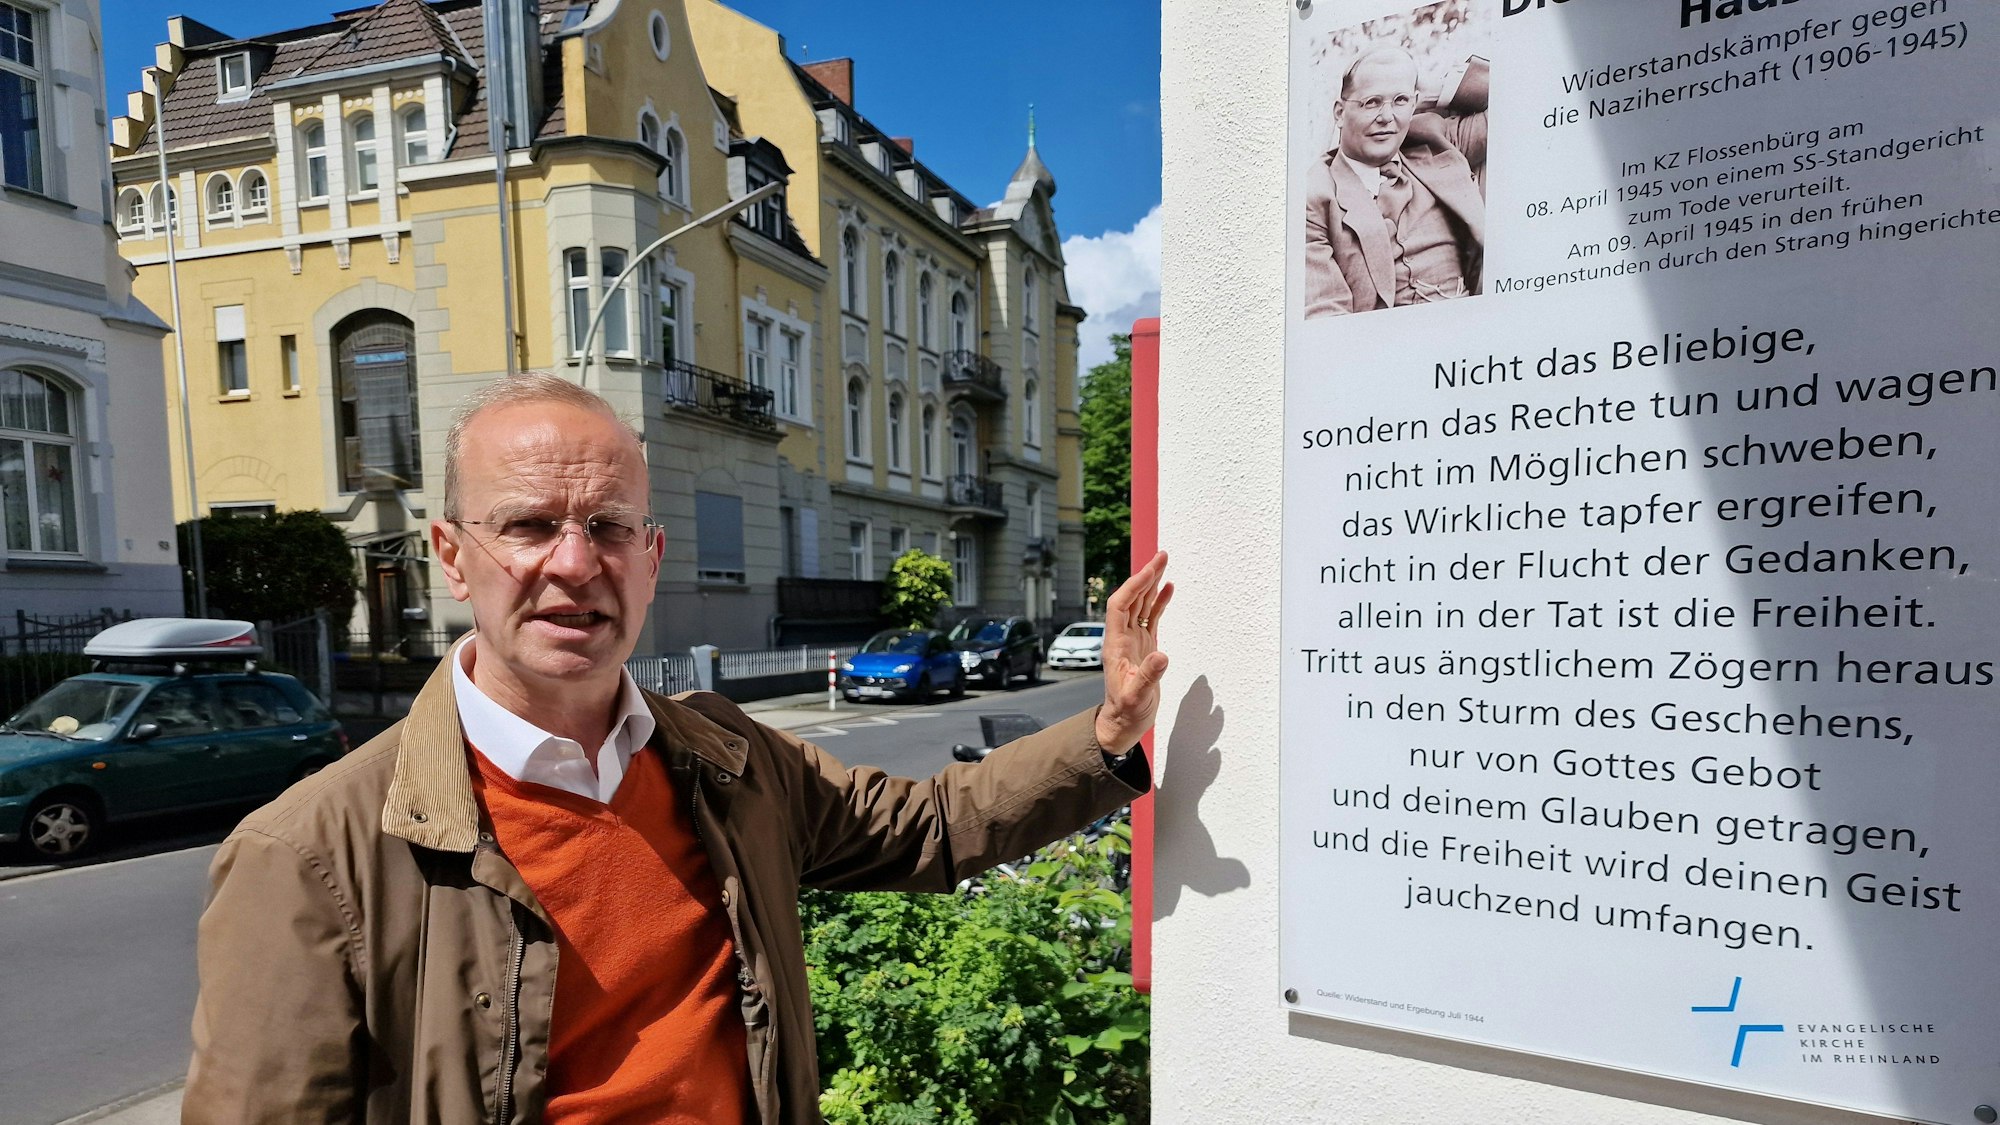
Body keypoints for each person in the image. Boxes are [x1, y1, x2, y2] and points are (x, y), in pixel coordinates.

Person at [182, 374, 1173, 1124]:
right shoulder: (312, 855)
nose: (574, 565)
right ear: (451, 555)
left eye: (608, 527)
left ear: (650, 560)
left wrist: (1106, 734)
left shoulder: (724, 758)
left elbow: (929, 827)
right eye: (529, 526)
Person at [1303, 47, 1489, 318]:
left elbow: (1521, 98)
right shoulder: (1315, 195)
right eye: (1372, 102)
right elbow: (1326, 315)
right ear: (1340, 113)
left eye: (1400, 101)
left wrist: (1435, 89)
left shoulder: (1438, 143)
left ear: (1415, 103)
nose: (1386, 117)